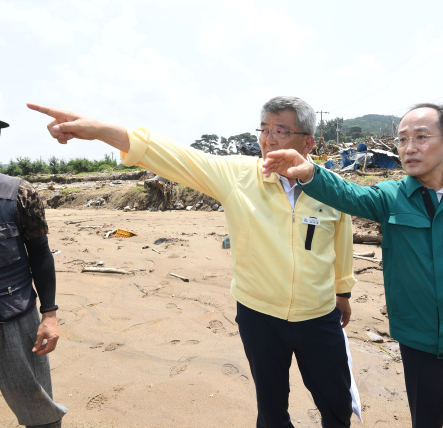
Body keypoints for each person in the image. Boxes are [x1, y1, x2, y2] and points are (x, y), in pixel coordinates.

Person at [28, 97, 358, 428]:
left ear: (308, 141)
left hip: (318, 314)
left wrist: (342, 291)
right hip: (260, 316)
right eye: (265, 129)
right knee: (271, 411)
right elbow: (173, 156)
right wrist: (99, 129)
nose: (269, 139)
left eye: (281, 131)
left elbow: (342, 239)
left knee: (337, 404)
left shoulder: (330, 187)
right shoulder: (239, 176)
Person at [262, 103, 443, 428]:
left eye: (421, 137)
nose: (409, 148)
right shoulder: (390, 195)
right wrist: (310, 172)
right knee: (426, 420)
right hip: (418, 342)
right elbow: (348, 195)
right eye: (403, 139)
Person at [0, 120, 68, 428]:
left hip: (14, 318)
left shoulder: (19, 194)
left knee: (39, 411)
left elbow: (40, 254)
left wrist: (49, 315)